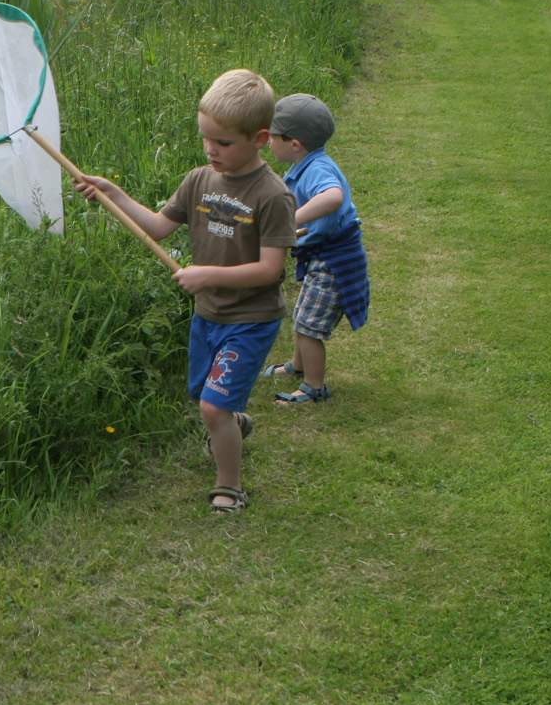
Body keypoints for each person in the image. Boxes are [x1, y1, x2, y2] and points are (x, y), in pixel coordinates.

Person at [72, 69, 295, 513]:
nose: (212, 150)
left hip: (249, 319)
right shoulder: (198, 181)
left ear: (259, 138)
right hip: (208, 314)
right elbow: (157, 225)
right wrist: (114, 195)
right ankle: (233, 421)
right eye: (206, 139)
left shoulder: (272, 196)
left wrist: (207, 273)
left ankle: (229, 486)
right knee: (207, 398)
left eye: (224, 143)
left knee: (211, 408)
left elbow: (271, 269)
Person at [262, 93, 369, 404]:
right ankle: (297, 366)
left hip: (334, 261)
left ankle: (314, 386)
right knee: (303, 314)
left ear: (295, 143)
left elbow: (333, 198)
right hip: (322, 255)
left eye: (273, 135)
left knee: (310, 325)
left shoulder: (318, 169)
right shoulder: (307, 164)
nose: (268, 140)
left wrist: (291, 219)